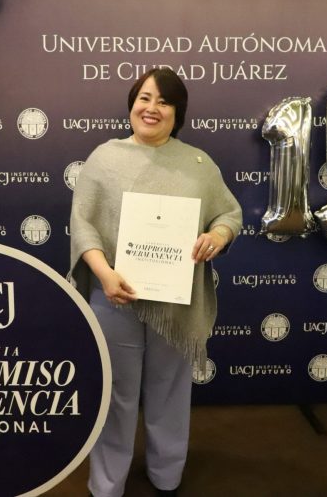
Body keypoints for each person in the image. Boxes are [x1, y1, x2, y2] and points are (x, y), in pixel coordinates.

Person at [69, 68, 242, 497]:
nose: (152, 108)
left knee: (170, 392)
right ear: (132, 104)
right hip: (114, 297)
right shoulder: (105, 158)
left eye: (164, 101)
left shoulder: (198, 164)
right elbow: (83, 224)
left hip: (175, 302)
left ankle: (167, 475)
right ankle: (107, 484)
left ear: (177, 112)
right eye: (144, 98)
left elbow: (229, 213)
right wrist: (105, 274)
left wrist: (218, 236)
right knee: (115, 395)